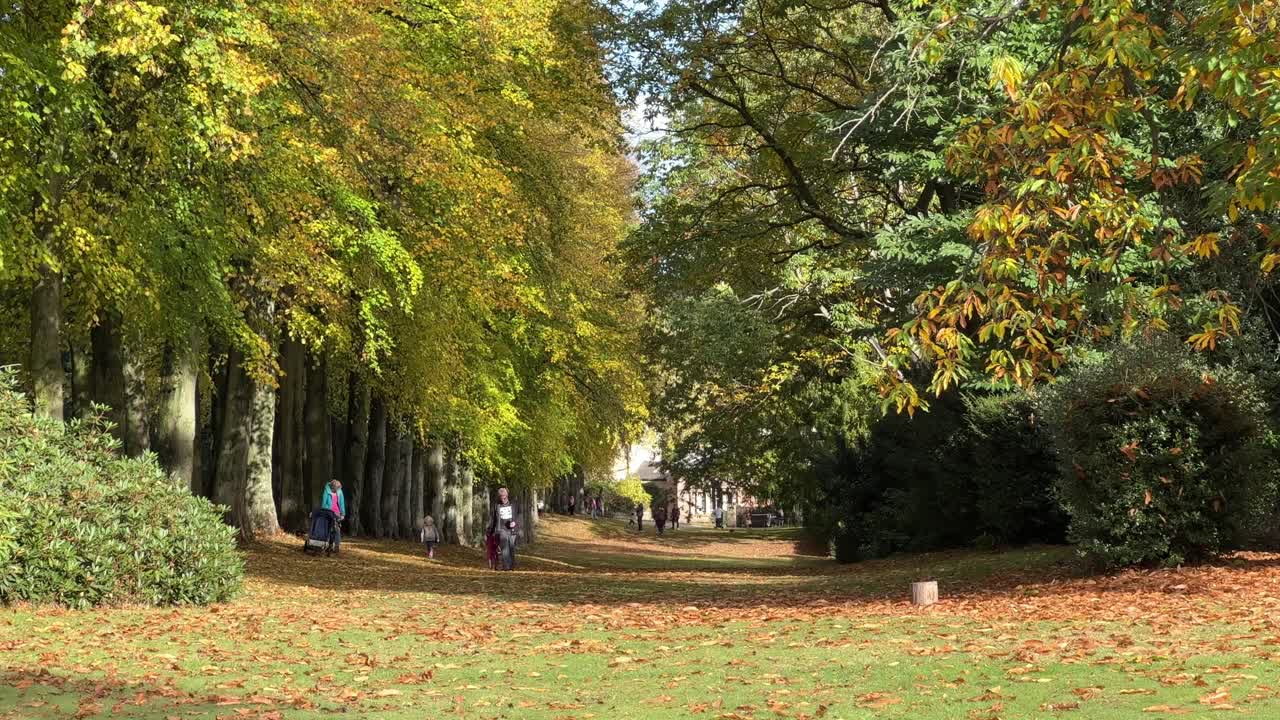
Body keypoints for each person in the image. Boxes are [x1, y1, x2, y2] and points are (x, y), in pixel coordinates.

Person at [488, 487, 518, 571]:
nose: (503, 498)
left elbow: (517, 516)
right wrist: (490, 531)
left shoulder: (513, 504)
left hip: (512, 530)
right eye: (501, 496)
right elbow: (493, 519)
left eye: (504, 496)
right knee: (505, 546)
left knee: (511, 547)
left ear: (507, 495)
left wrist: (515, 522)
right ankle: (506, 566)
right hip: (501, 529)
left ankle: (512, 566)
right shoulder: (496, 505)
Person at [320, 480, 346, 552]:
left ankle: (336, 547)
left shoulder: (339, 491)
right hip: (328, 511)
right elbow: (324, 502)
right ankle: (326, 545)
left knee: (337, 529)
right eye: (336, 489)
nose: (337, 491)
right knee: (327, 528)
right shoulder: (327, 490)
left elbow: (341, 503)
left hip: (336, 512)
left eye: (338, 489)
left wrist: (342, 514)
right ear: (332, 487)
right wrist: (324, 511)